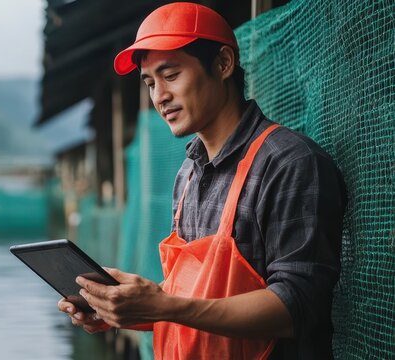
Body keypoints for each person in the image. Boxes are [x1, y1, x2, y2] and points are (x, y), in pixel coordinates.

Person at [57, 2, 346, 359]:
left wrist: (164, 306)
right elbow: (200, 294)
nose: (159, 96)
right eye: (150, 82)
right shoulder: (188, 174)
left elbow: (298, 306)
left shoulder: (289, 163)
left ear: (223, 64)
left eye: (171, 75)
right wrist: (127, 308)